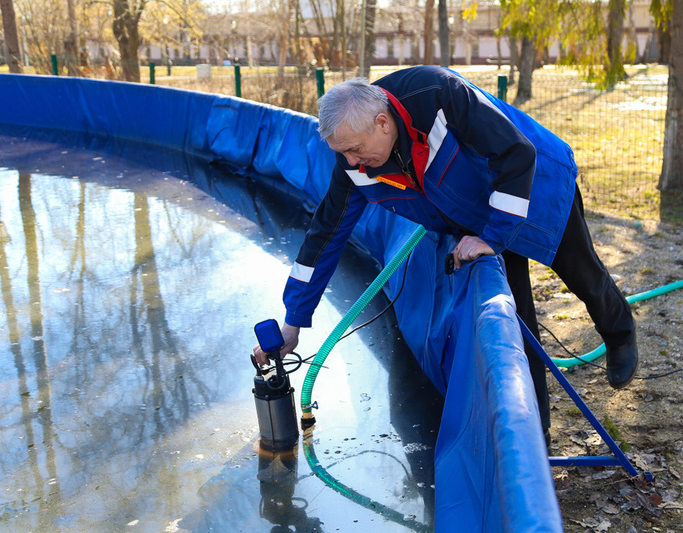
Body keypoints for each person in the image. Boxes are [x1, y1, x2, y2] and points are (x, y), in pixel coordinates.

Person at [253, 66, 638, 438]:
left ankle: (619, 333)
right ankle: (533, 433)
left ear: (383, 123)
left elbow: (516, 153)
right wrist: (295, 320)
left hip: (535, 184)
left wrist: (493, 235)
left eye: (354, 149)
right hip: (472, 215)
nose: (351, 162)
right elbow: (325, 235)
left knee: (581, 272)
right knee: (514, 319)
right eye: (343, 153)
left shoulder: (438, 94)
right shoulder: (354, 161)